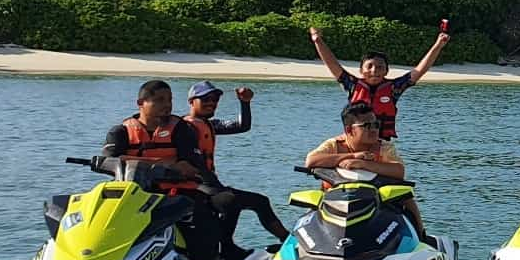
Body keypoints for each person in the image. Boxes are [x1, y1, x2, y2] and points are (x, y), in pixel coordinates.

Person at [100, 80, 234, 260]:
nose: (167, 105)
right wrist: (164, 163)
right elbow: (108, 160)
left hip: (176, 193)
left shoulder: (182, 129)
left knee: (199, 217)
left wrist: (130, 160)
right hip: (134, 193)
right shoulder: (120, 131)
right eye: (160, 100)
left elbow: (190, 164)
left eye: (169, 100)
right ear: (141, 104)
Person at [182, 80, 290, 244]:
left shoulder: (209, 125)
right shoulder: (185, 128)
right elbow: (195, 162)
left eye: (214, 99)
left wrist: (244, 103)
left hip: (211, 186)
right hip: (197, 188)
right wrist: (216, 187)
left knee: (260, 201)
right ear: (191, 102)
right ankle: (226, 248)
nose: (211, 103)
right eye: (205, 99)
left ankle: (288, 241)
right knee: (230, 201)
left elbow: (242, 126)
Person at [308, 23, 451, 141]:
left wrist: (438, 45)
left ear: (386, 71)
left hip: (381, 142)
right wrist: (317, 40)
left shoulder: (395, 88)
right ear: (361, 70)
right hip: (353, 141)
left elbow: (419, 70)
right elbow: (331, 63)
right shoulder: (352, 85)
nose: (374, 70)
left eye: (380, 67)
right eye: (369, 66)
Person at [305, 104, 424, 236]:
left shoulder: (383, 147)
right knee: (312, 207)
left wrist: (362, 164)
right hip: (335, 200)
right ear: (349, 130)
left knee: (406, 197)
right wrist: (352, 156)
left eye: (376, 124)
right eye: (367, 126)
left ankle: (420, 234)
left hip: (376, 202)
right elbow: (311, 161)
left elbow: (399, 171)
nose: (374, 130)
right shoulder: (334, 144)